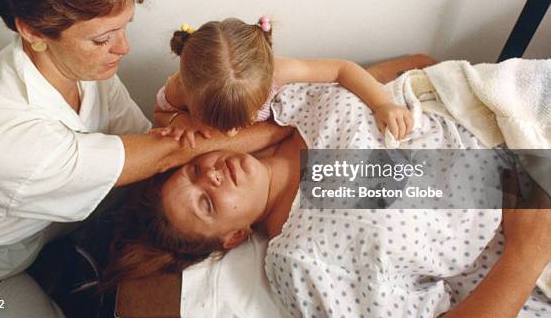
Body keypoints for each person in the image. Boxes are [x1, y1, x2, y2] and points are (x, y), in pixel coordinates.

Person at [0, 0, 292, 317]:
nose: (123, 48)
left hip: (38, 230)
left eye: (124, 27)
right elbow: (169, 153)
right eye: (103, 38)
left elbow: (161, 144)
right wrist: (287, 128)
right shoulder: (2, 141)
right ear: (33, 32)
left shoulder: (83, 67)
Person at [107, 122, 550, 316]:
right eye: (207, 203)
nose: (213, 176)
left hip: (520, 140)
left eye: (193, 170)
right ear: (233, 236)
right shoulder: (301, 258)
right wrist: (526, 255)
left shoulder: (287, 118)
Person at [154, 17, 424, 147]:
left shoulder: (278, 71)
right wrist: (180, 121)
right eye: (223, 121)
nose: (237, 128)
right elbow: (161, 112)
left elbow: (342, 69)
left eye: (246, 116)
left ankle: (405, 67)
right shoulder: (181, 88)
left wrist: (383, 104)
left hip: (291, 114)